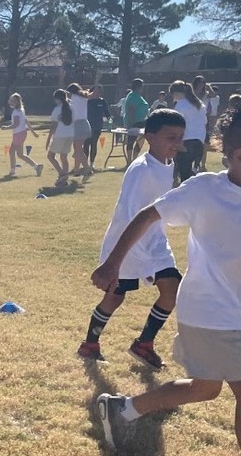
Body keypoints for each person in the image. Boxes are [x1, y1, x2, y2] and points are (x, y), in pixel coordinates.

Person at [95, 104, 241, 452]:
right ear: (237, 155)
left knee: (204, 389)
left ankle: (122, 409)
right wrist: (112, 264)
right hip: (212, 313)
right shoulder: (205, 190)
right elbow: (147, 215)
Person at [78, 109, 186, 368]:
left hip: (155, 243)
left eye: (180, 137)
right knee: (115, 297)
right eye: (170, 137)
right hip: (128, 244)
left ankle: (144, 343)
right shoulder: (141, 169)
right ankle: (90, 344)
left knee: (172, 289)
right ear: (150, 137)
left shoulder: (168, 164)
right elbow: (129, 214)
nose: (177, 144)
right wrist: (115, 262)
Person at [170, 79, 206, 184]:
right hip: (199, 143)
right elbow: (204, 123)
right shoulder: (199, 104)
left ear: (175, 93)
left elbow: (177, 126)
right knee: (191, 174)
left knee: (184, 176)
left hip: (186, 142)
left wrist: (179, 143)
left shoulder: (180, 105)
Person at [2, 93, 43, 176]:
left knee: (14, 152)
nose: (11, 102)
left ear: (17, 102)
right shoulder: (21, 110)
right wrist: (33, 132)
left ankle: (13, 171)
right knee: (18, 153)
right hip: (21, 133)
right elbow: (26, 121)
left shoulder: (17, 112)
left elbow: (16, 124)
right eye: (10, 100)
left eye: (13, 101)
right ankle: (36, 167)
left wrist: (6, 127)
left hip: (18, 134)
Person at [45, 89, 75, 186]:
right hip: (70, 135)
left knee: (50, 156)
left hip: (60, 136)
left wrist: (48, 139)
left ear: (58, 99)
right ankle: (64, 177)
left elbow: (54, 126)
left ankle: (62, 174)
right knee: (63, 156)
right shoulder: (71, 108)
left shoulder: (57, 109)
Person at [66, 83, 93, 177]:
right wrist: (97, 81)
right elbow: (93, 93)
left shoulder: (73, 97)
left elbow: (62, 92)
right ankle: (76, 169)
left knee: (78, 149)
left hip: (78, 125)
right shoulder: (83, 97)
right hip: (85, 124)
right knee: (77, 149)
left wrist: (61, 79)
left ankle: (87, 168)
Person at [122, 79, 150, 162]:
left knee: (141, 140)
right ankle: (129, 161)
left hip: (141, 122)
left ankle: (134, 159)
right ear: (138, 87)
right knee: (131, 141)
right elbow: (130, 110)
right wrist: (130, 124)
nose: (142, 88)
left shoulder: (137, 95)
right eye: (142, 86)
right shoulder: (133, 96)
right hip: (135, 123)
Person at [85, 86, 111, 171]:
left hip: (97, 126)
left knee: (93, 144)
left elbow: (107, 114)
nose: (98, 93)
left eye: (99, 92)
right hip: (87, 126)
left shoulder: (102, 101)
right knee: (85, 145)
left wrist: (111, 123)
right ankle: (84, 164)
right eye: (96, 91)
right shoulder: (87, 101)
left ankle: (92, 164)